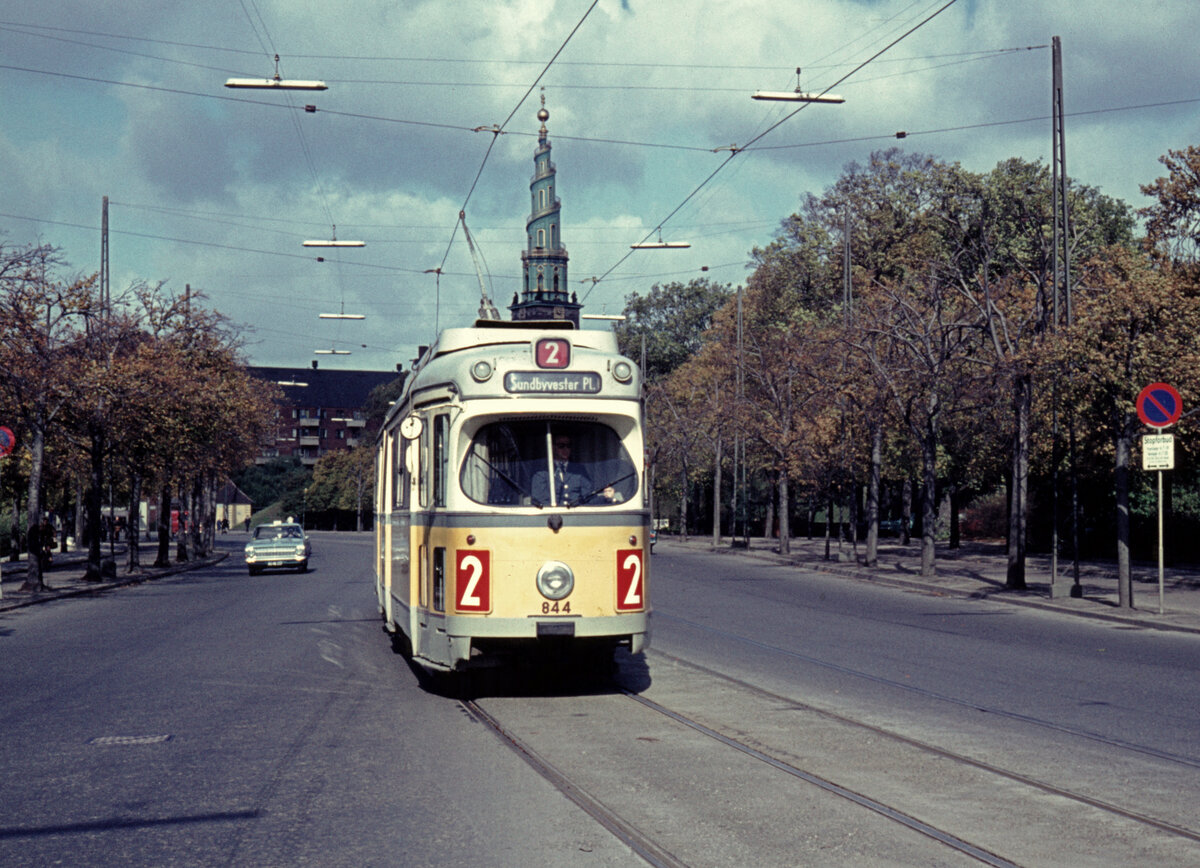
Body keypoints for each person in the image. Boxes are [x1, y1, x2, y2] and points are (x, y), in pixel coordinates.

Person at [532, 435, 592, 506]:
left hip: (575, 511)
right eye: (561, 446)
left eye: (568, 446)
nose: (565, 449)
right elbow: (539, 499)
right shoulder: (542, 471)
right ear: (552, 448)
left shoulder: (579, 470)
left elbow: (588, 496)